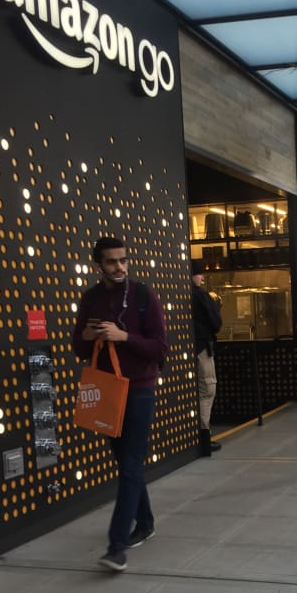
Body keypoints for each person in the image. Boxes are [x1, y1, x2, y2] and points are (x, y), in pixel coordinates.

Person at [72, 236, 167, 572]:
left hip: (140, 388)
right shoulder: (91, 298)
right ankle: (145, 522)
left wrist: (123, 336)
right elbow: (79, 349)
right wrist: (87, 337)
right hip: (107, 389)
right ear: (97, 265)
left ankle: (116, 545)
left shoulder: (143, 295)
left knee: (130, 462)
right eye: (112, 262)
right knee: (124, 462)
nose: (119, 267)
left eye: (123, 260)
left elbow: (159, 347)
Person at [191, 258, 223, 454]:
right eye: (199, 273)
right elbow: (216, 322)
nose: (202, 277)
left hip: (190, 349)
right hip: (203, 349)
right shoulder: (201, 296)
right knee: (207, 389)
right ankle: (204, 436)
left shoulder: (182, 296)